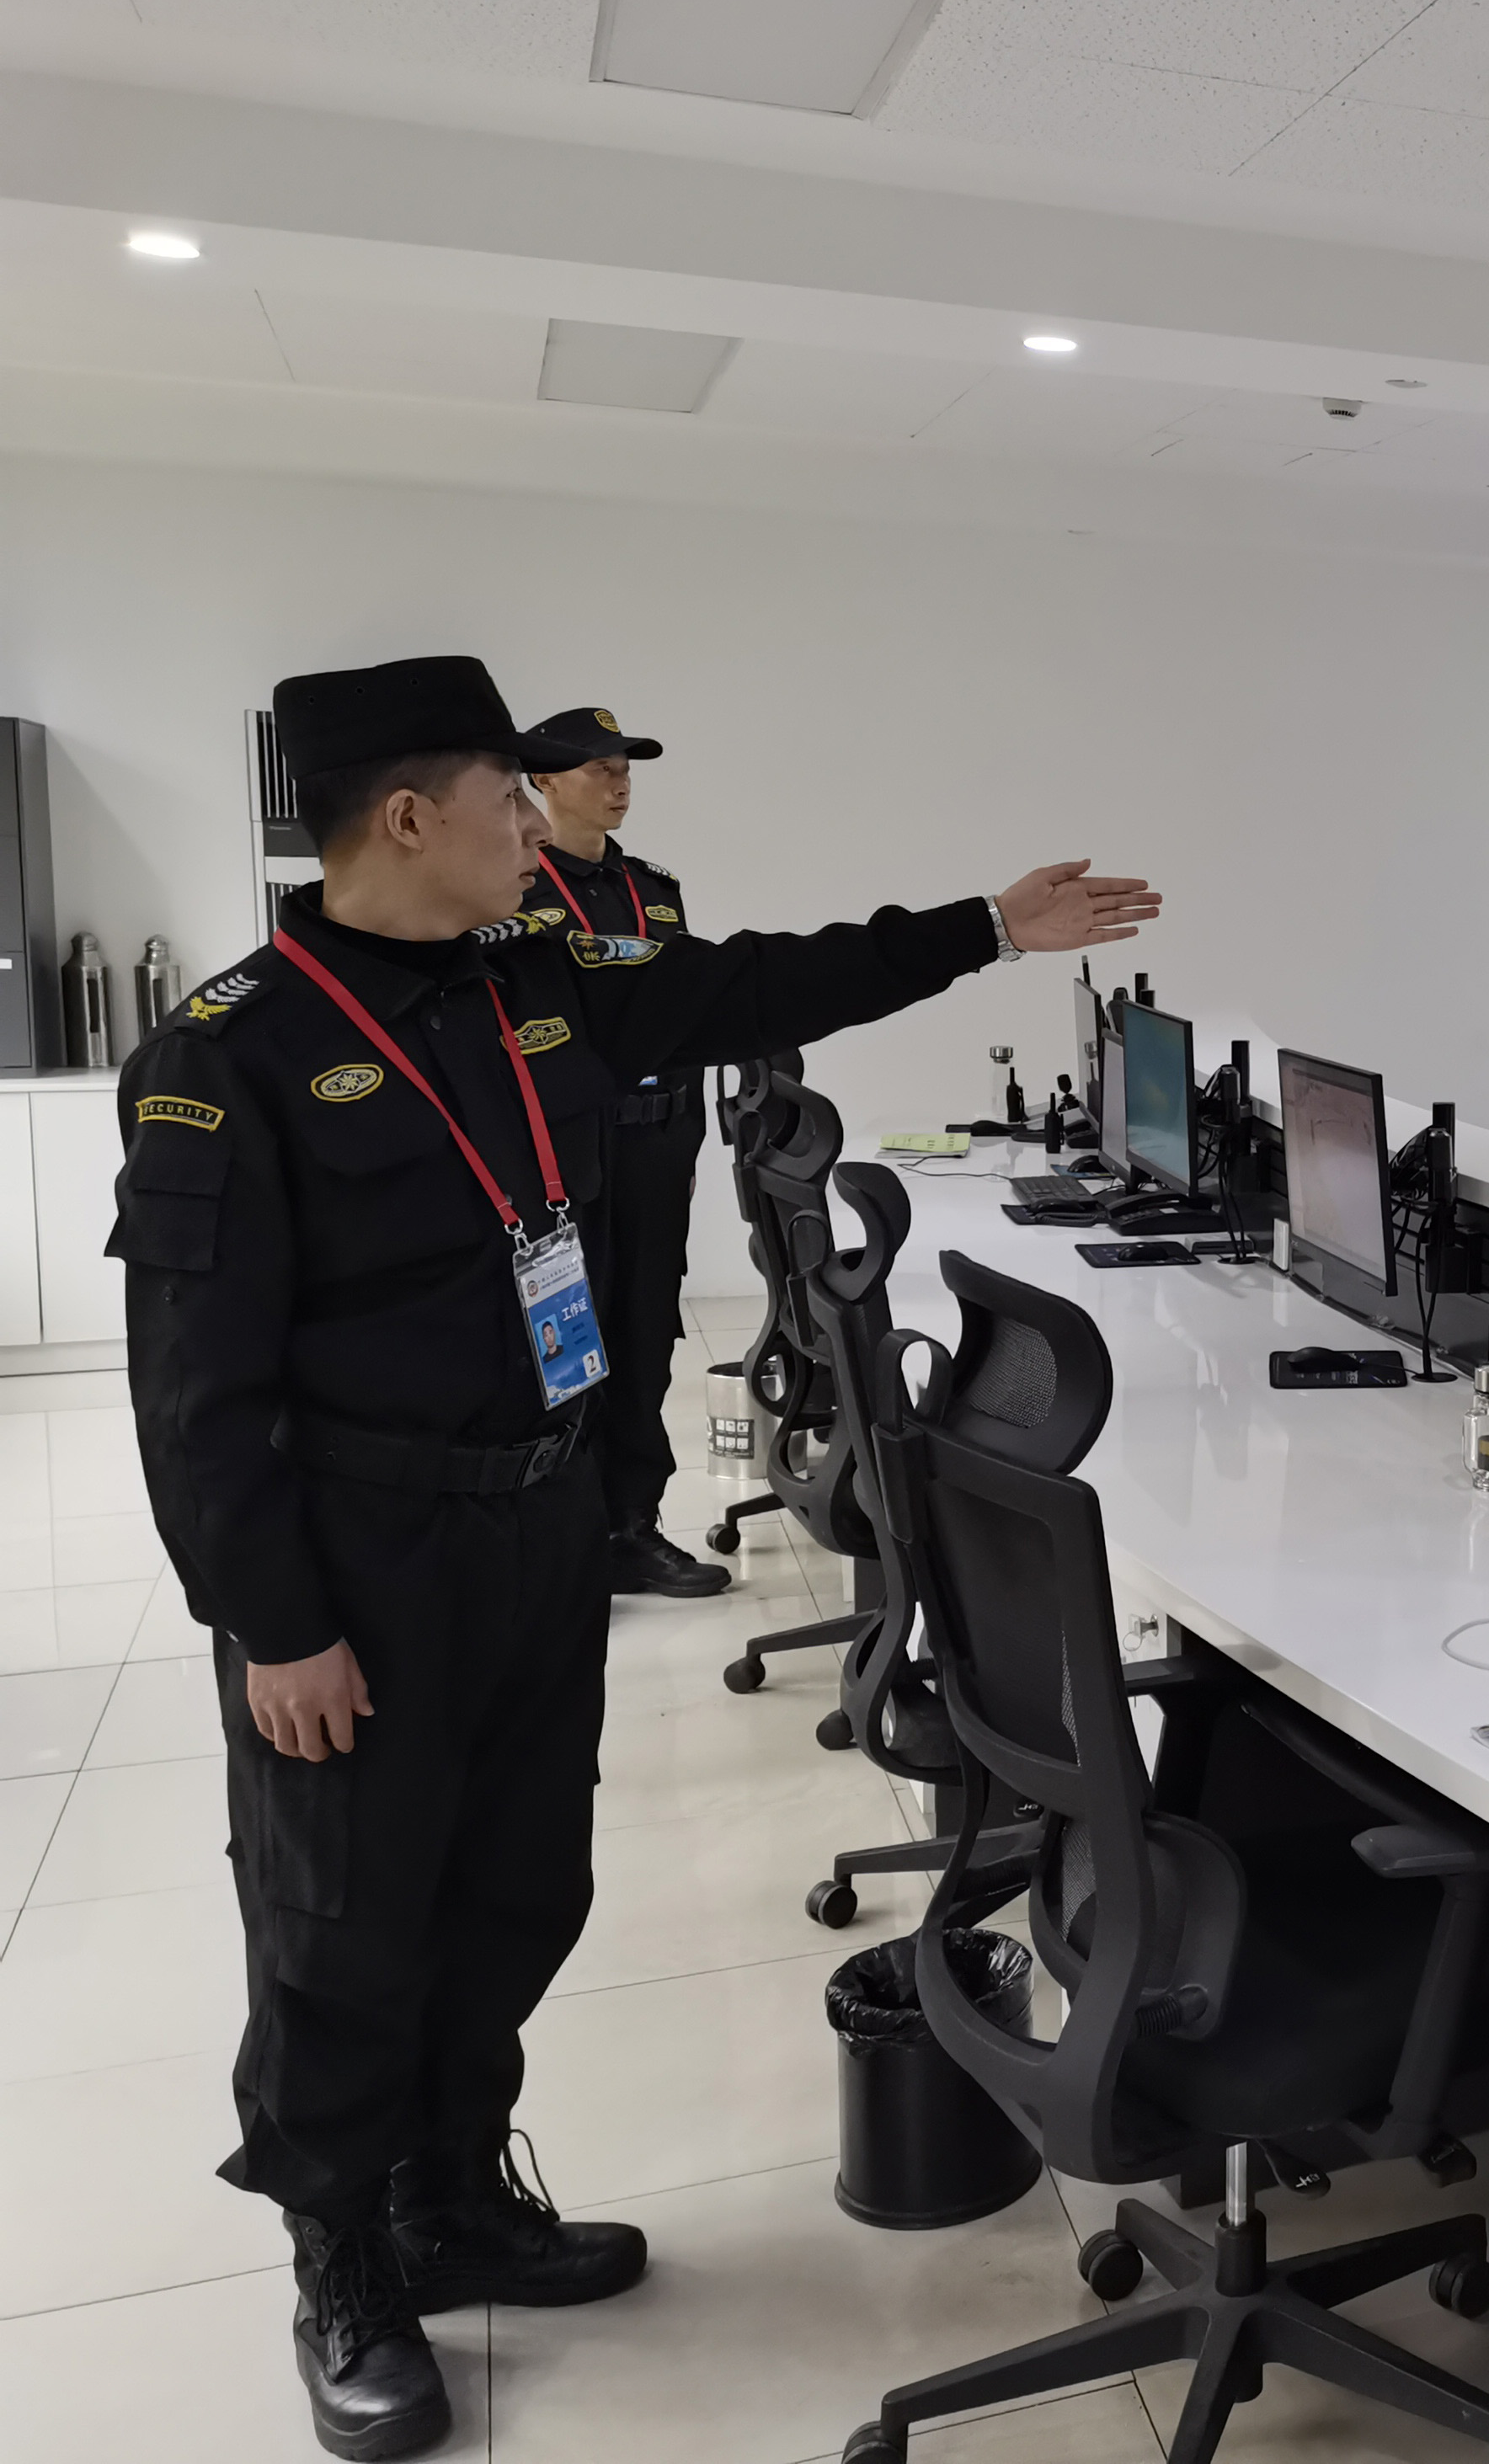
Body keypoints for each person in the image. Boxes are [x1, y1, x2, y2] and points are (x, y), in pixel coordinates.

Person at [113, 654, 1158, 2461]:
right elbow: (195, 1395)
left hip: (534, 1525)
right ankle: (342, 2255)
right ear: (407, 817)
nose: (540, 829)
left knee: (518, 1883)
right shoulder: (229, 1056)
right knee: (345, 1920)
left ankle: (453, 2194)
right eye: (508, 800)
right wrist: (273, 1625)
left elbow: (761, 981)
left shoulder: (534, 981)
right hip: (358, 1560)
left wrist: (988, 927)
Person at [511, 705, 728, 1600]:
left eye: (625, 767)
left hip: (656, 1147)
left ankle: (633, 1526)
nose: (619, 782)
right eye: (598, 768)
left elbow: (685, 1009)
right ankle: (564, 1535)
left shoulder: (654, 888)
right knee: (568, 1341)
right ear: (544, 781)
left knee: (644, 1332)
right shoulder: (515, 891)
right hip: (567, 1152)